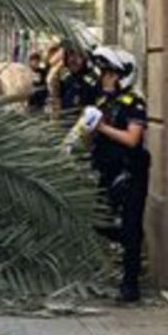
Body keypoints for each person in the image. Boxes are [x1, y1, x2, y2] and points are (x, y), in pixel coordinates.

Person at [84, 47, 150, 303]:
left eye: (110, 74)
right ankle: (129, 250)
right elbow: (92, 137)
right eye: (104, 73)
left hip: (131, 172)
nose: (105, 78)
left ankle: (130, 285)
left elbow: (133, 139)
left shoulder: (134, 102)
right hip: (107, 171)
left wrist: (102, 126)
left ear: (123, 75)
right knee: (100, 222)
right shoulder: (102, 102)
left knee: (130, 227)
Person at [57, 43, 100, 117]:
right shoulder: (66, 78)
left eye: (77, 55)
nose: (72, 59)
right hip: (64, 122)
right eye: (69, 55)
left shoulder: (93, 80)